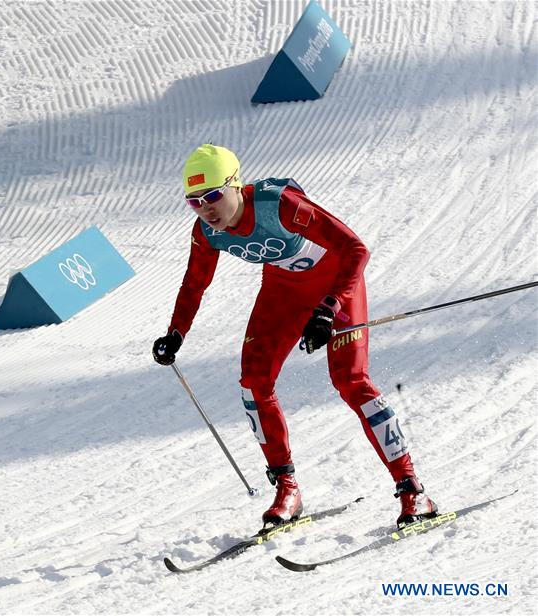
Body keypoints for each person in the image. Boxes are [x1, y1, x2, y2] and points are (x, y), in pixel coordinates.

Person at [153, 144, 438, 529]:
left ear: (235, 184)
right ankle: (287, 488)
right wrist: (176, 333)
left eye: (214, 196)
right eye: (194, 202)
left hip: (335, 287)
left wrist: (329, 307)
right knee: (253, 383)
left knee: (351, 380)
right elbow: (194, 283)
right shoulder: (207, 230)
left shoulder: (279, 205)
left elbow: (355, 249)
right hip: (283, 291)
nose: (206, 208)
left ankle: (412, 489)